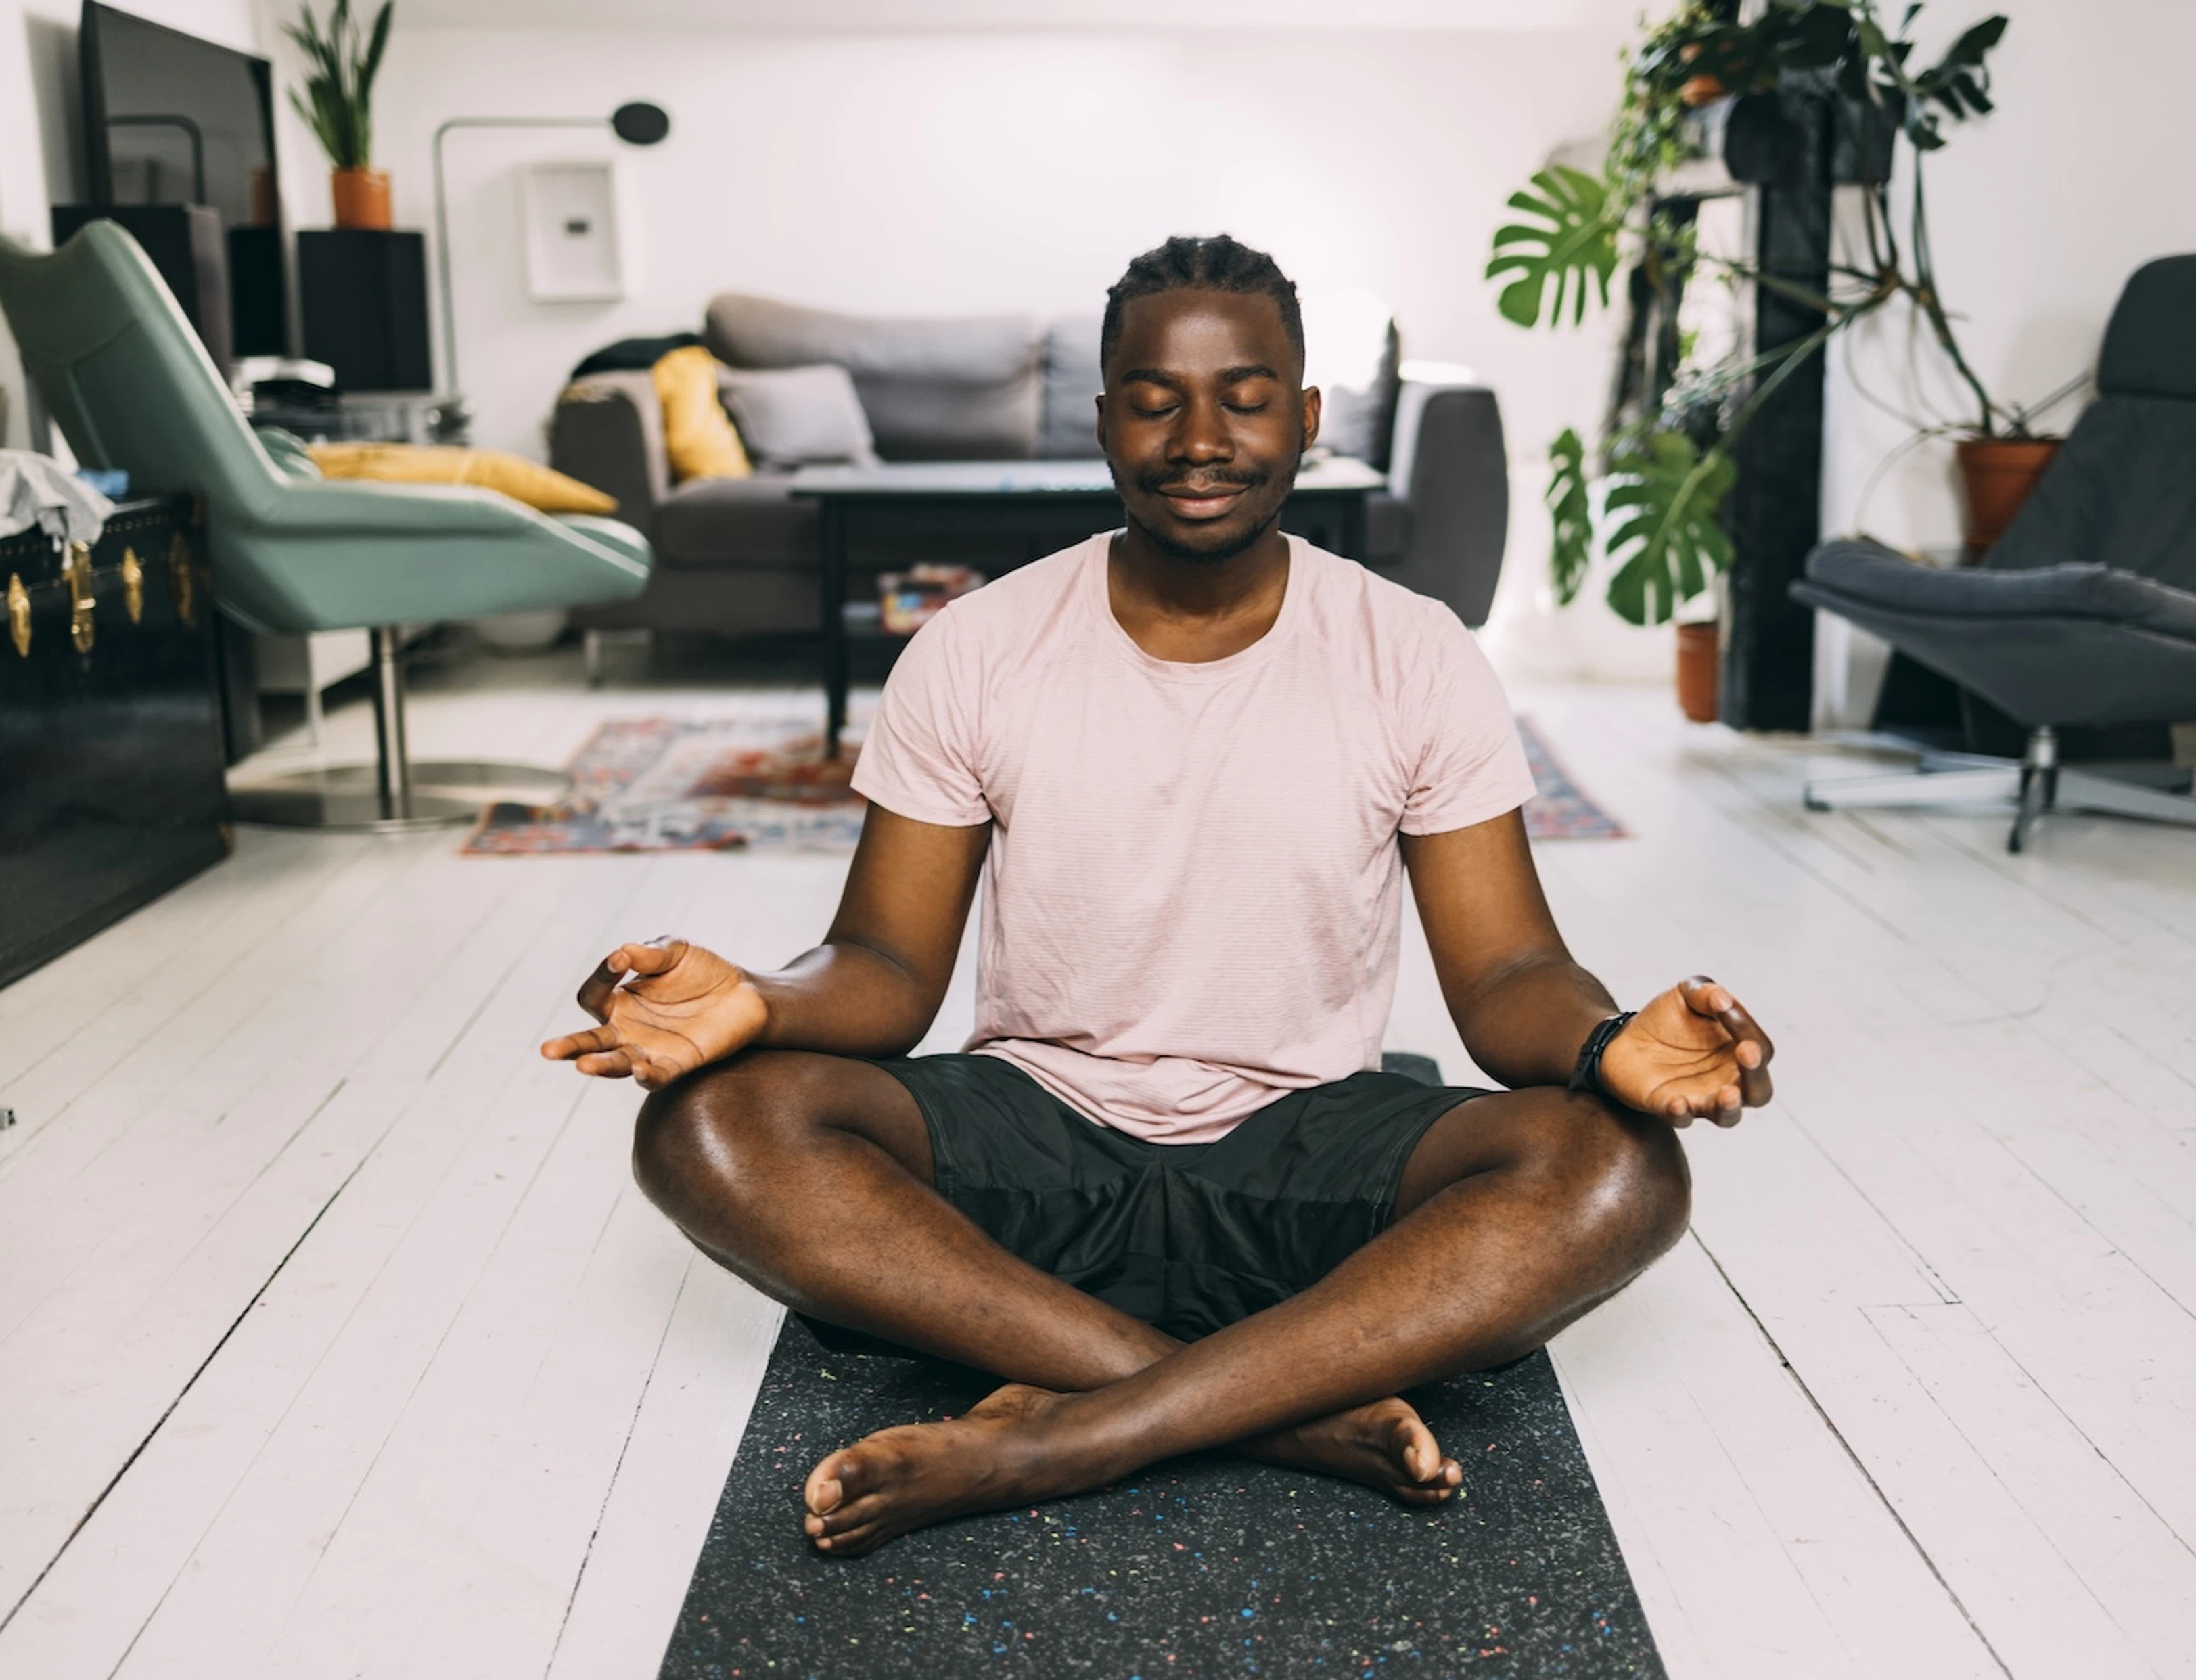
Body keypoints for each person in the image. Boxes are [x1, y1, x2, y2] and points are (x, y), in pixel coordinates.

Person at [543, 235, 1774, 1557]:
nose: (1201, 435)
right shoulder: (979, 646)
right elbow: (886, 972)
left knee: (1617, 1172)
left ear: (1305, 416)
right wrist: (759, 1000)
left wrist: (1603, 1047)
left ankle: (1064, 1430)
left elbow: (1506, 980)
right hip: (1034, 1139)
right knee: (706, 1126)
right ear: (1102, 417)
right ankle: (1281, 1410)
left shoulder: (1413, 652)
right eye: (1155, 396)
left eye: (1245, 395)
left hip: (1306, 1143)